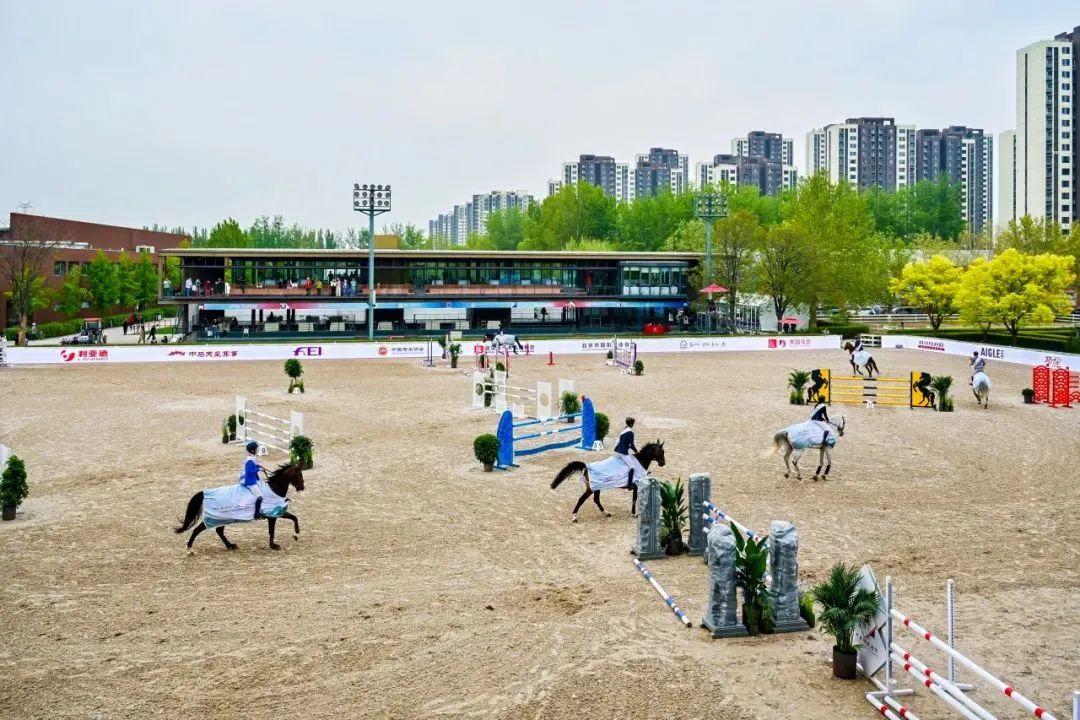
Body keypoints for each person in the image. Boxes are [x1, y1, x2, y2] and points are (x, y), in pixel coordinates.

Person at [238, 441, 265, 519]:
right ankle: (256, 514)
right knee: (260, 496)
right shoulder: (250, 460)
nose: (257, 450)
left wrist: (258, 465)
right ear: (253, 450)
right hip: (250, 481)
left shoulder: (252, 458)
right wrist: (258, 469)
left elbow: (253, 467)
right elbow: (249, 472)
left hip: (253, 479)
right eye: (256, 449)